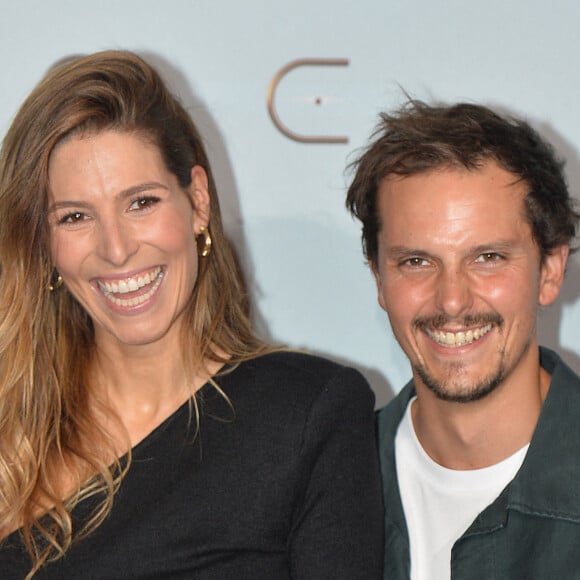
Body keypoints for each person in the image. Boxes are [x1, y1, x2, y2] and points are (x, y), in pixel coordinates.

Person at [0, 50, 383, 579]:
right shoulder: (11, 431)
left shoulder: (307, 414)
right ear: (43, 244)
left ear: (197, 201)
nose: (116, 249)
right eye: (75, 216)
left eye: (142, 202)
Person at [346, 100, 580, 579]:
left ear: (550, 270)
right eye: (416, 261)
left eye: (488, 257)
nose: (452, 301)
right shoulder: (326, 481)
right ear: (378, 279)